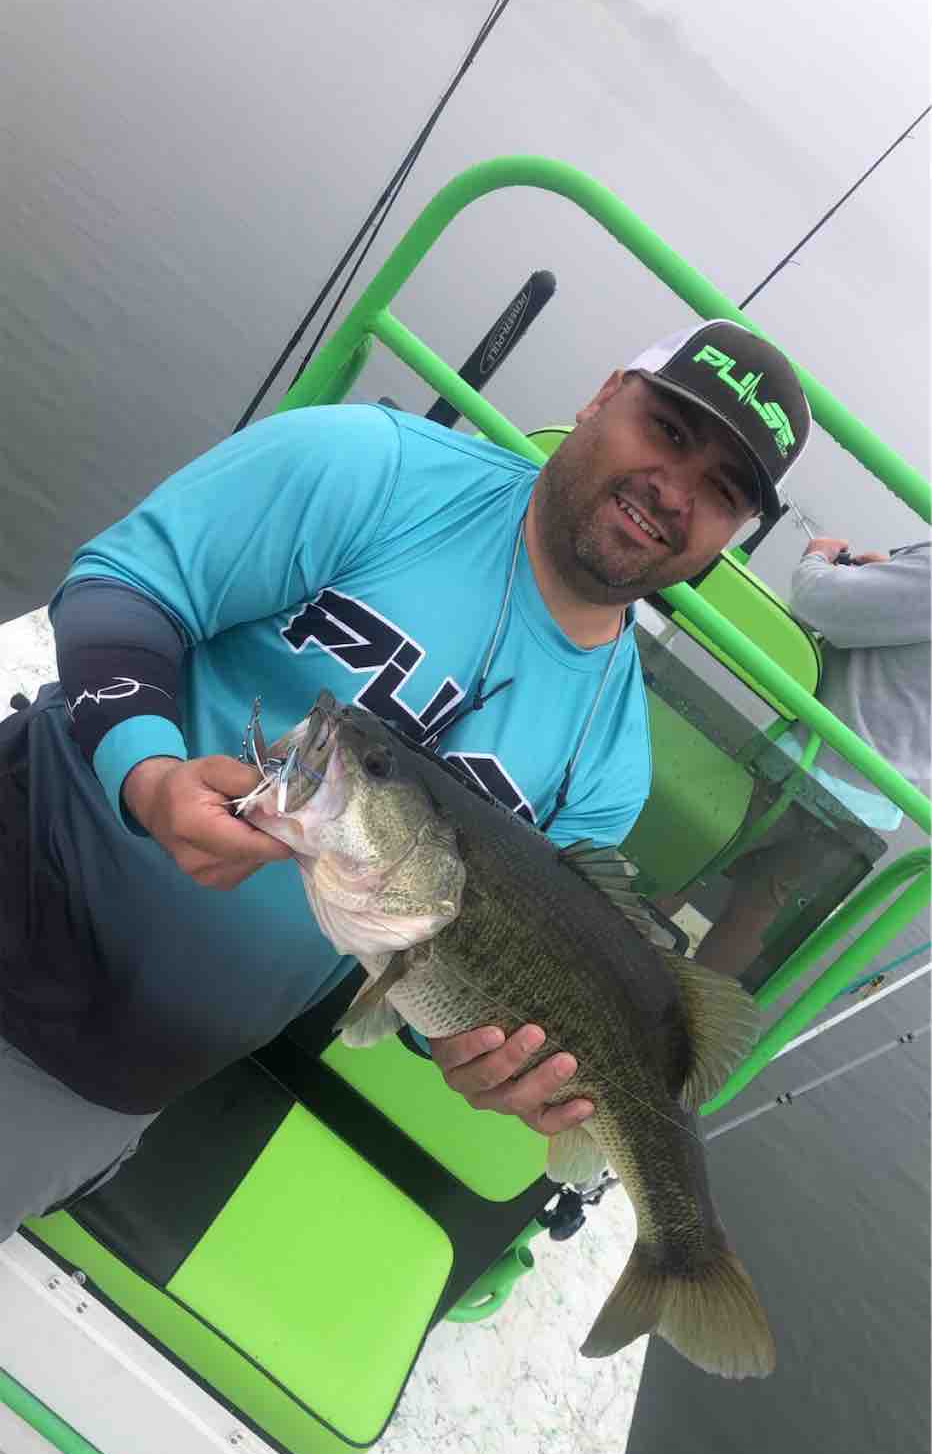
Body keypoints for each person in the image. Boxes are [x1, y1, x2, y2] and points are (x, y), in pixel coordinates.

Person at [0, 318, 812, 1239]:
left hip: (109, 1073)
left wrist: (476, 1055)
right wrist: (147, 775)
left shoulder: (610, 763)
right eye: (666, 430)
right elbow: (128, 584)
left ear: (733, 535)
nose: (674, 490)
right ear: (602, 396)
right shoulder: (375, 468)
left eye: (722, 491)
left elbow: (456, 978)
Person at [683, 535, 931, 979]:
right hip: (868, 809)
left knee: (690, 851)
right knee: (758, 909)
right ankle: (688, 1011)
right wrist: (889, 576)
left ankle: (592, 960)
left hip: (800, 767)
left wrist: (817, 556)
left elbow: (818, 603)